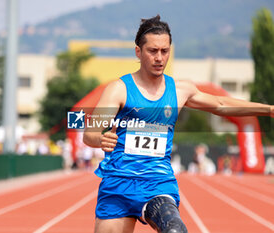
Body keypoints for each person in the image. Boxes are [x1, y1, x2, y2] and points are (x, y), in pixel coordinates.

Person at [83, 14, 274, 233]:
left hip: (157, 181)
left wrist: (268, 109)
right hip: (118, 183)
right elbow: (89, 134)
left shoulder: (180, 90)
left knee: (174, 229)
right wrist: (100, 138)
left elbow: (221, 103)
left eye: (165, 51)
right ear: (138, 51)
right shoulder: (118, 89)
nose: (159, 58)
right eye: (152, 51)